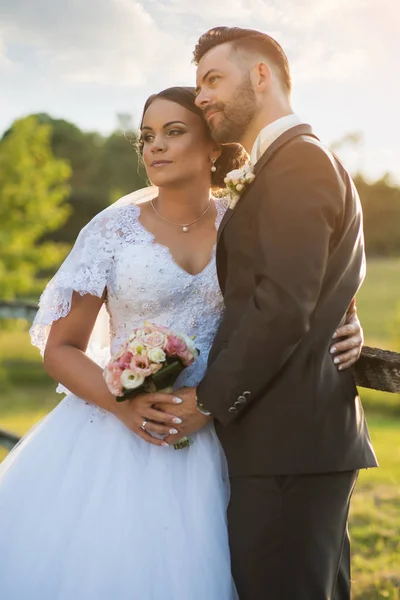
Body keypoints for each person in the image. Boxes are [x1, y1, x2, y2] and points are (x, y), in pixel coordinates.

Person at [0, 86, 363, 599]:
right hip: (114, 433)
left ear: (213, 146)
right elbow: (62, 348)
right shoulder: (112, 231)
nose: (156, 147)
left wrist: (350, 320)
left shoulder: (245, 221)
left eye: (174, 132)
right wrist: (123, 405)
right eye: (148, 137)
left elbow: (299, 285)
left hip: (221, 430)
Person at [159, 28, 378, 600]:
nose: (201, 95)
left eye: (213, 79)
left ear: (261, 76)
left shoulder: (298, 163)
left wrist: (206, 400)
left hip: (291, 443)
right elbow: (314, 284)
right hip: (290, 440)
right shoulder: (282, 163)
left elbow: (282, 306)